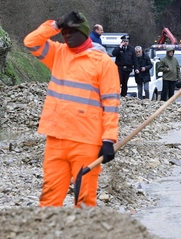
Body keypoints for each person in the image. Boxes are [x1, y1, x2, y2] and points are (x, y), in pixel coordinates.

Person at [23, 10, 120, 207]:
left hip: (86, 142)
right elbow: (31, 41)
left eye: (71, 31)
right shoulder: (58, 53)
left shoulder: (103, 63)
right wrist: (56, 25)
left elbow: (111, 104)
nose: (66, 35)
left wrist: (109, 139)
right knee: (49, 199)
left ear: (84, 33)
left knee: (84, 200)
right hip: (56, 139)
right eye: (64, 32)